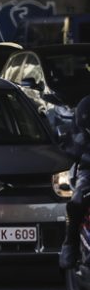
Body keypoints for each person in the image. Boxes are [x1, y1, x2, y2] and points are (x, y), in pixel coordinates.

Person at [61, 96, 90, 269]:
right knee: (79, 199)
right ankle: (70, 243)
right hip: (88, 166)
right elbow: (76, 141)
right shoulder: (86, 106)